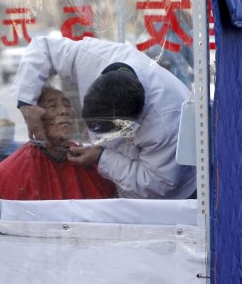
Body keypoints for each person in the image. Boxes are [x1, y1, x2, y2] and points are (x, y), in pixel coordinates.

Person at [13, 36, 195, 200]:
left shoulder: (167, 123)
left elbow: (155, 185)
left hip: (177, 197)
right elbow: (43, 48)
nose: (63, 112)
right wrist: (26, 101)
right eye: (52, 106)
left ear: (131, 125)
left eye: (106, 132)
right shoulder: (92, 58)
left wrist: (102, 158)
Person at [0, 86, 116, 201]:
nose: (64, 111)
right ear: (35, 119)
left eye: (68, 105)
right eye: (52, 106)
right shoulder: (12, 172)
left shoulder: (88, 160)